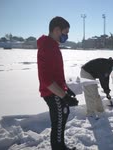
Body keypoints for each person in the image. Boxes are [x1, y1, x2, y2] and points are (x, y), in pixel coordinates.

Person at [37, 16, 78, 150]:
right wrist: (64, 97)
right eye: (65, 33)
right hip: (53, 94)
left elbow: (56, 73)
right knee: (59, 123)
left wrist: (66, 89)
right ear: (56, 30)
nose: (66, 36)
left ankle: (60, 146)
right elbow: (47, 80)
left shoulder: (52, 46)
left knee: (59, 122)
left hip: (57, 92)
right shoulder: (47, 48)